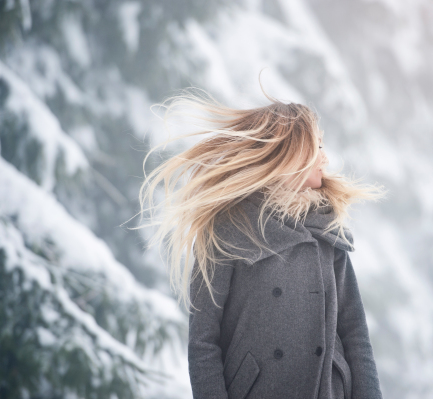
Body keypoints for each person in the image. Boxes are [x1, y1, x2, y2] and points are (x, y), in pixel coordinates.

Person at [138, 88, 385, 399]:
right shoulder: (228, 228)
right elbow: (203, 342)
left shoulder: (327, 230)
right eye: (317, 145)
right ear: (291, 152)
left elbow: (355, 334)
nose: (325, 156)